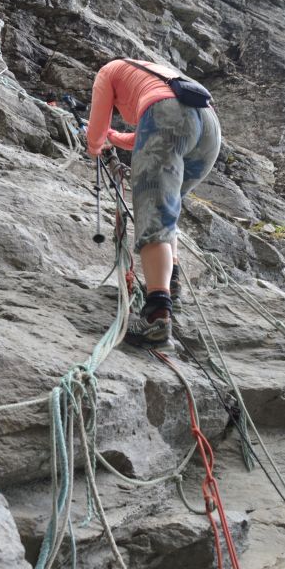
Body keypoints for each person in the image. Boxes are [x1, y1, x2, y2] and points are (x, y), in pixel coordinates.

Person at [85, 58, 221, 350]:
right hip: (208, 127)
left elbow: (97, 126)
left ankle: (157, 317)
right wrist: (114, 137)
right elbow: (154, 130)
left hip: (167, 114)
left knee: (154, 212)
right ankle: (171, 286)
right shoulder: (157, 73)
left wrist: (96, 145)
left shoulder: (108, 71)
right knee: (167, 208)